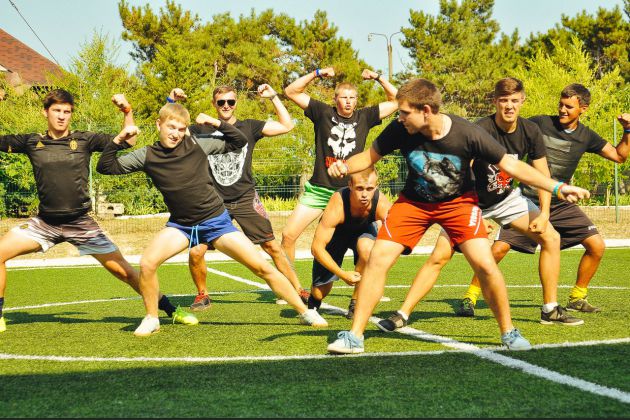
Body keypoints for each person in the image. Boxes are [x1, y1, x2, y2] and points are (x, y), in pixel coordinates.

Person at [325, 78, 591, 354]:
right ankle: (354, 336)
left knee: (485, 265)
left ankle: (509, 332)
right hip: (414, 204)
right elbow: (368, 157)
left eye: (404, 112)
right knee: (378, 258)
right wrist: (344, 166)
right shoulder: (400, 129)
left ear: (425, 111)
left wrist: (557, 187)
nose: (400, 117)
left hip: (459, 204)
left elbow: (512, 166)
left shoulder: (467, 133)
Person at [97, 103, 328, 336]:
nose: (175, 133)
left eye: (181, 129)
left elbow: (239, 141)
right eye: (171, 127)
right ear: (159, 125)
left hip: (215, 222)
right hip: (182, 226)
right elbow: (106, 167)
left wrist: (216, 122)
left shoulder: (198, 144)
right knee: (147, 263)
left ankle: (305, 312)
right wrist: (118, 140)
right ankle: (152, 318)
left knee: (261, 267)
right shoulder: (147, 155)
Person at [0, 89, 196, 335]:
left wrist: (127, 111)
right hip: (45, 223)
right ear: (45, 112)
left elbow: (129, 140)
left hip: (81, 223)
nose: (61, 116)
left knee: (125, 272)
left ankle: (171, 310)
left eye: (67, 111)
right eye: (56, 110)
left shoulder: (84, 139)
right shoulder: (31, 141)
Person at [483, 84, 630, 313]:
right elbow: (509, 136)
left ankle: (577, 297)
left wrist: (628, 130)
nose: (562, 110)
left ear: (583, 109)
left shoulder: (587, 136)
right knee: (499, 249)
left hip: (561, 203)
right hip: (528, 199)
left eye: (568, 106)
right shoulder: (539, 124)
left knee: (596, 246)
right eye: (561, 104)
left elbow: (619, 156)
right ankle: (470, 296)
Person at [167, 84, 309, 309]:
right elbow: (169, 128)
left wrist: (273, 97)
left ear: (236, 103)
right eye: (221, 102)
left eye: (230, 102)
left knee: (271, 246)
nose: (226, 106)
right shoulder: (200, 130)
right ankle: (202, 295)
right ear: (214, 104)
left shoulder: (249, 127)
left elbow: (287, 125)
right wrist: (171, 101)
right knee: (196, 251)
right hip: (212, 202)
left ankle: (298, 289)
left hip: (245, 198)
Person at [281, 67, 398, 269]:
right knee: (288, 235)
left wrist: (377, 77)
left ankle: (364, 282)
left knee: (367, 244)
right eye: (343, 97)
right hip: (319, 190)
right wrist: (317, 73)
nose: (348, 101)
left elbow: (398, 100)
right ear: (335, 99)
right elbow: (291, 91)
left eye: (352, 98)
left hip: (350, 193)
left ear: (357, 100)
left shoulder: (365, 117)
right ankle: (288, 284)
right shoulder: (323, 113)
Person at [309, 167, 391, 319]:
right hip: (337, 235)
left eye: (369, 189)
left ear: (376, 186)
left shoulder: (381, 203)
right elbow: (316, 248)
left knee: (368, 250)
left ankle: (355, 302)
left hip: (363, 232)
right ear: (350, 185)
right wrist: (343, 275)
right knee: (319, 293)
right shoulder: (338, 203)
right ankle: (313, 302)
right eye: (359, 188)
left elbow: (394, 240)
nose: (365, 194)